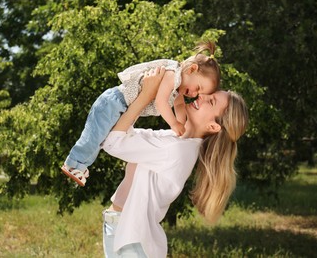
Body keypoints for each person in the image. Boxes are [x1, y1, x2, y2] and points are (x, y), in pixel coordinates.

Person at [101, 66, 248, 257]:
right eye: (207, 93)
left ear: (213, 126)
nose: (200, 95)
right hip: (125, 233)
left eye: (210, 101)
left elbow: (112, 142)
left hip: (132, 239)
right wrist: (152, 93)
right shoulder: (176, 140)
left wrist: (146, 95)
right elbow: (121, 132)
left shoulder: (175, 150)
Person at [61, 41, 221, 186]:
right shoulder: (173, 75)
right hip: (114, 101)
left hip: (122, 107)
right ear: (192, 69)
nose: (194, 94)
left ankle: (82, 164)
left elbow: (179, 105)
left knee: (99, 138)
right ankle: (74, 164)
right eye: (198, 88)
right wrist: (173, 124)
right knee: (93, 135)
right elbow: (160, 101)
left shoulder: (178, 87)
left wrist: (181, 126)